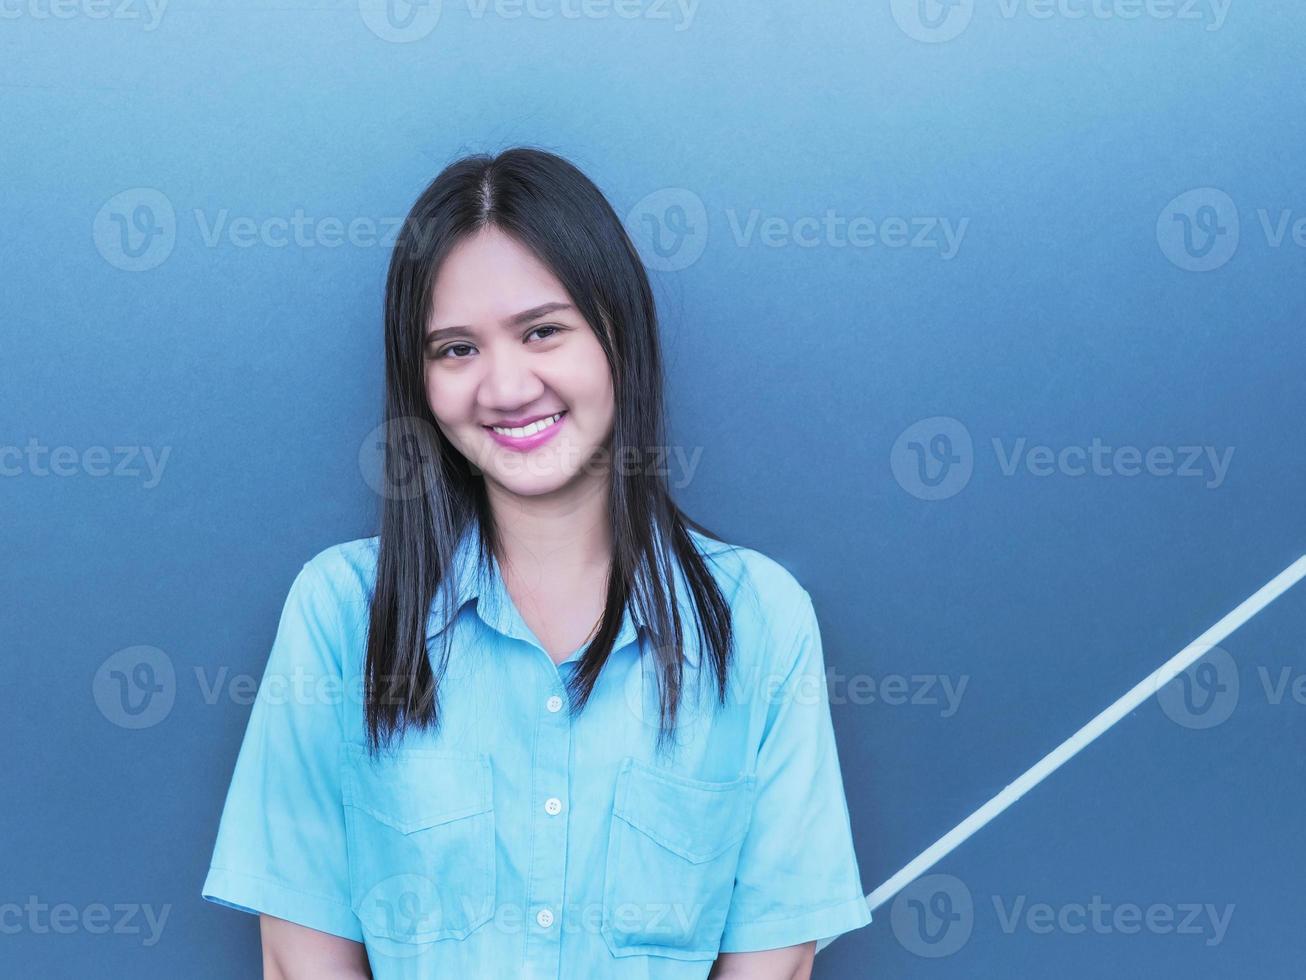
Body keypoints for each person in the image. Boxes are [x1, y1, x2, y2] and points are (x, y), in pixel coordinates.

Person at [200, 146, 872, 979]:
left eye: (542, 331)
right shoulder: (342, 612)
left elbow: (777, 961)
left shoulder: (759, 619)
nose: (506, 387)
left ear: (617, 334)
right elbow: (300, 962)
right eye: (455, 349)